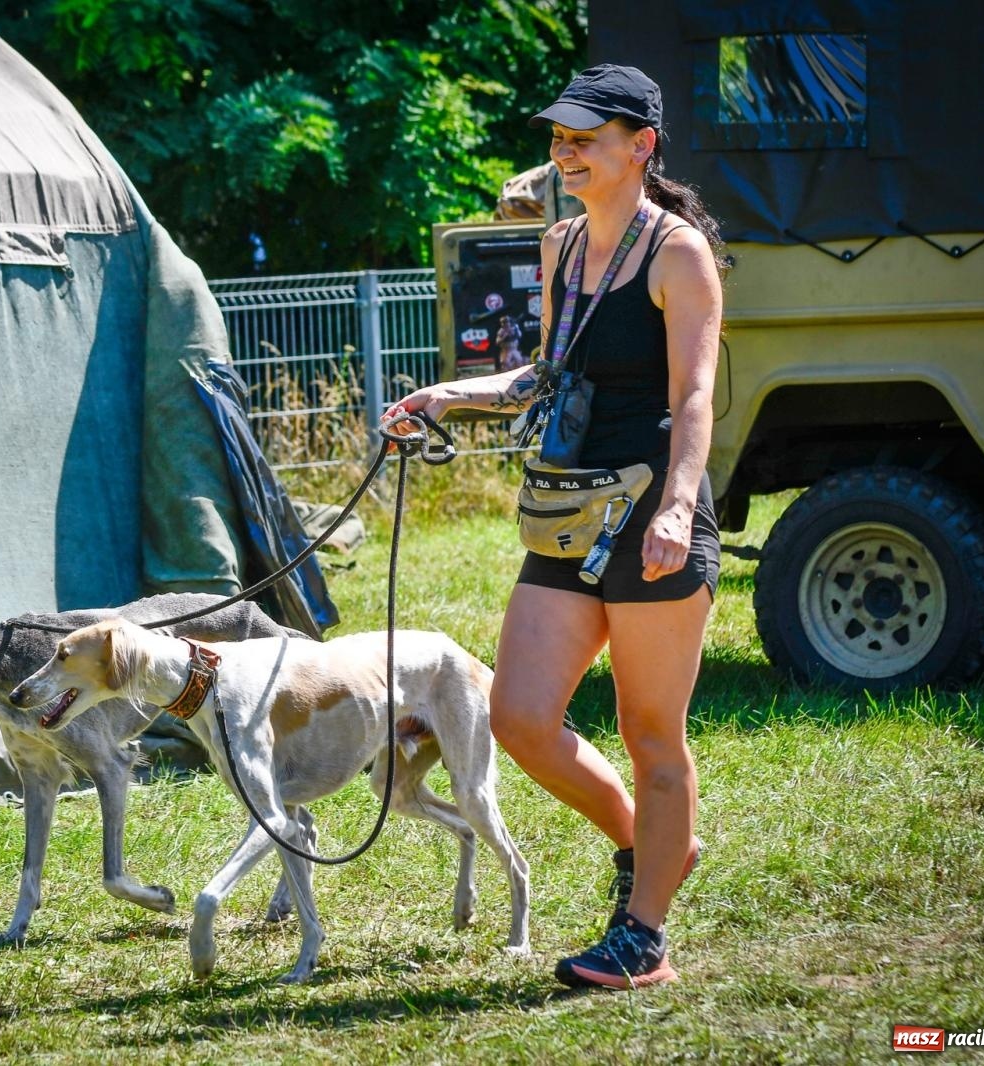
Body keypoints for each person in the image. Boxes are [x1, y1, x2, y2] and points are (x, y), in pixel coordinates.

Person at [383, 64, 725, 989]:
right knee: (520, 717)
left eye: (585, 137)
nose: (564, 151)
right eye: (559, 138)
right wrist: (450, 395)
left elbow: (695, 394)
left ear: (641, 146)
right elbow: (545, 373)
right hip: (572, 509)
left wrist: (682, 505)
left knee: (652, 733)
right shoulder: (563, 247)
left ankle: (642, 935)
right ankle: (655, 846)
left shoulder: (677, 252)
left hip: (654, 510)